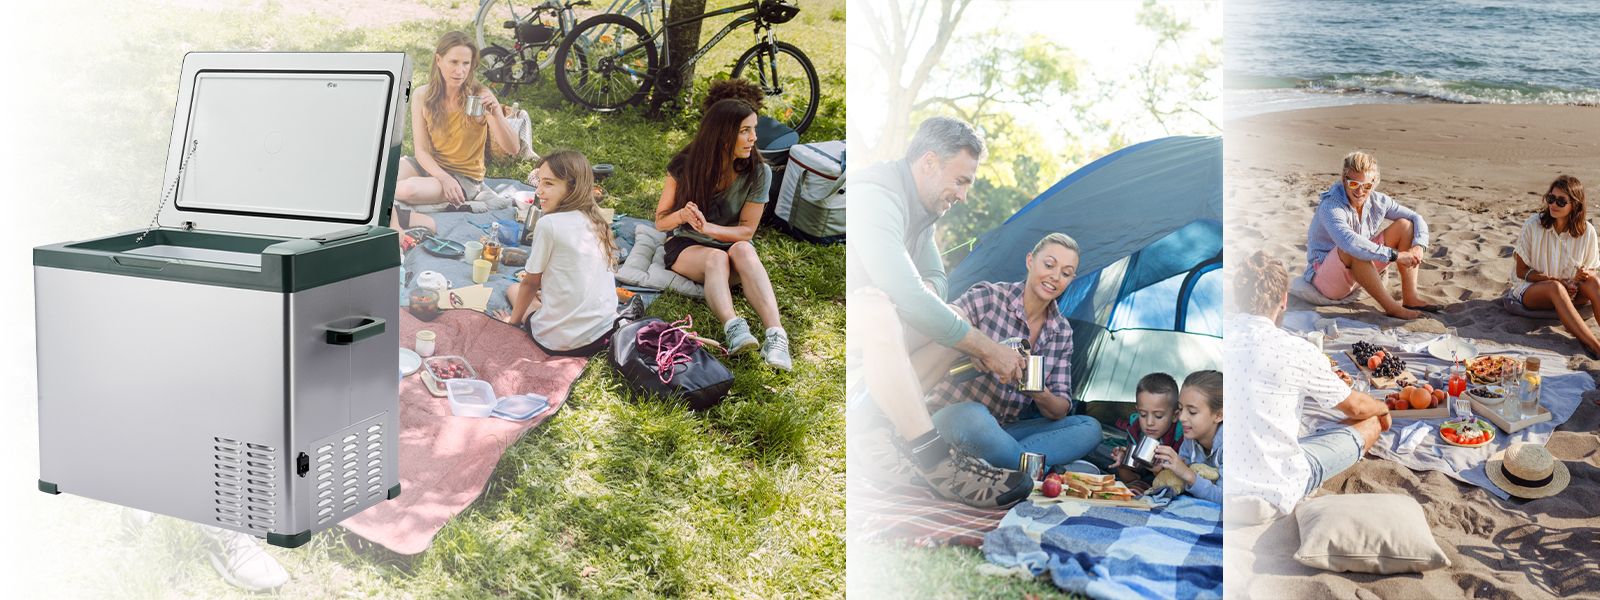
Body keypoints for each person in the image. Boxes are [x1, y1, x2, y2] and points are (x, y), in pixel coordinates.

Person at [846, 116, 1035, 509]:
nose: (964, 195)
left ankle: (874, 434)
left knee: (949, 319)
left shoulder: (924, 211)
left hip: (870, 325)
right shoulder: (875, 195)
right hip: (838, 320)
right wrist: (988, 349)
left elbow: (934, 280)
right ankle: (934, 460)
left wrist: (920, 296)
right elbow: (909, 296)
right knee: (882, 310)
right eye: (961, 180)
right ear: (929, 162)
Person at [1230, 250, 1392, 518]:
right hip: (1276, 490)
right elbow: (1357, 409)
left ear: (1237, 299)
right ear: (1284, 300)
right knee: (1371, 423)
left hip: (1225, 483)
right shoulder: (1294, 349)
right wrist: (1383, 409)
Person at [926, 233, 1102, 471]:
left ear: (1071, 280)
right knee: (976, 416)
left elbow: (1060, 408)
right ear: (1030, 261)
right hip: (955, 416)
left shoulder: (1061, 332)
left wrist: (1036, 388)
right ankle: (1037, 469)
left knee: (1089, 427)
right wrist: (979, 348)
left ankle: (999, 463)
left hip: (1003, 430)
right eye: (1049, 265)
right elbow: (948, 316)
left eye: (1066, 273)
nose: (1055, 276)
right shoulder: (991, 296)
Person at [653, 98, 792, 370]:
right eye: (744, 131)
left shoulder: (758, 171)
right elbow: (660, 222)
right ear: (722, 134)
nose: (753, 138)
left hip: (732, 246)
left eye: (754, 129)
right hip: (688, 247)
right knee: (715, 258)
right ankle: (734, 328)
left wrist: (709, 228)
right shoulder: (685, 164)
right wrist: (682, 216)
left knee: (744, 249)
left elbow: (747, 231)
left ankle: (776, 336)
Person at [494, 151, 619, 356]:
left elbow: (530, 283)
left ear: (572, 187)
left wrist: (512, 322)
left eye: (549, 184)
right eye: (540, 182)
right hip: (603, 332)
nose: (538, 191)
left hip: (561, 340)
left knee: (514, 289)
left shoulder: (548, 224)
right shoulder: (599, 221)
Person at [394, 31, 519, 212]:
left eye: (466, 63)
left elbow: (513, 149)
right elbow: (421, 151)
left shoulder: (480, 96)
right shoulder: (422, 95)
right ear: (439, 60)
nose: (460, 71)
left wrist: (497, 114)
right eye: (453, 62)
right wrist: (443, 178)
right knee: (381, 178)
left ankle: (453, 201)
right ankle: (440, 199)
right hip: (431, 166)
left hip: (465, 177)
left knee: (407, 190)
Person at [1303, 151, 1436, 319]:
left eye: (1366, 186)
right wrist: (1396, 255)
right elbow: (1349, 242)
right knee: (1355, 248)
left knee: (1405, 226)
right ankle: (1392, 308)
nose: (1360, 191)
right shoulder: (1331, 206)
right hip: (1325, 278)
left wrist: (1419, 246)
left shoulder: (1379, 201)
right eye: (1353, 184)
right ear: (1344, 180)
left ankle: (1410, 298)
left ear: (1374, 183)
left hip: (1359, 269)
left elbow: (1416, 217)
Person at [1510, 175, 1600, 359]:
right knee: (1556, 288)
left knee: (1594, 283)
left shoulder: (1587, 231)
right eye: (1551, 198)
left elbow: (1593, 269)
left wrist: (1585, 273)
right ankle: (1596, 347)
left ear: (1575, 205)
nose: (1553, 205)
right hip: (1535, 290)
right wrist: (1556, 281)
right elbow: (1521, 272)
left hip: (1573, 291)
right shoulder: (1533, 225)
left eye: (1561, 201)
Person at [1153, 370, 1224, 503]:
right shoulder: (1189, 440)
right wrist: (1161, 470)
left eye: (1192, 412)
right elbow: (1178, 483)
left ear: (1219, 415)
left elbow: (1226, 499)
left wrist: (1187, 474)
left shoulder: (1232, 446)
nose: (1182, 417)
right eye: (1180, 409)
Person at [1108, 373, 1184, 492]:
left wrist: (1158, 471)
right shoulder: (1136, 431)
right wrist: (1123, 464)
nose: (1149, 422)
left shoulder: (1181, 439)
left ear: (1175, 416)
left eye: (1158, 416)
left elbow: (1176, 485)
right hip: (1143, 479)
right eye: (1143, 415)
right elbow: (1131, 480)